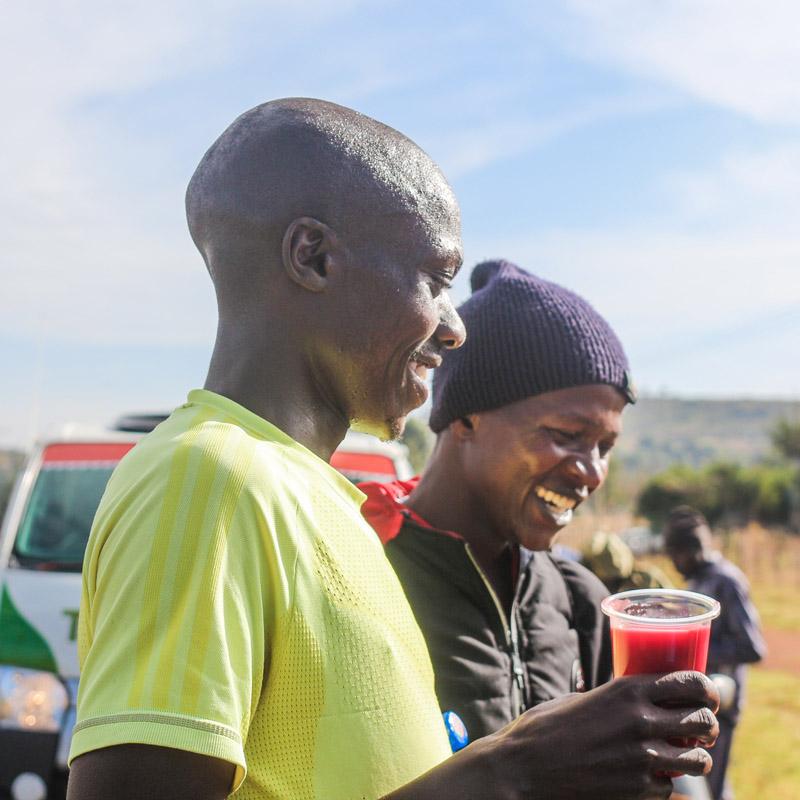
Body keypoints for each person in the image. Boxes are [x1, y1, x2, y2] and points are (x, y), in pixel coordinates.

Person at [66, 99, 719, 800]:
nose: (454, 329)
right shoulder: (204, 479)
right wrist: (514, 769)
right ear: (312, 257)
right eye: (435, 280)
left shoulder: (326, 505)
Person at [361, 260, 626, 737]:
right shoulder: (361, 573)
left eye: (605, 446)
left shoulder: (580, 600)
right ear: (466, 419)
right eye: (568, 434)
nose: (591, 471)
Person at [664, 507, 766, 800]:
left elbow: (752, 647)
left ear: (694, 549)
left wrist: (696, 652)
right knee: (698, 783)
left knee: (711, 786)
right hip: (699, 704)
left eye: (676, 554)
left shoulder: (726, 581)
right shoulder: (697, 581)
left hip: (723, 703)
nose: (674, 562)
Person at [586, 531, 672, 594]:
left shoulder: (646, 577)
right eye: (611, 577)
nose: (614, 581)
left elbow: (673, 602)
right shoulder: (591, 585)